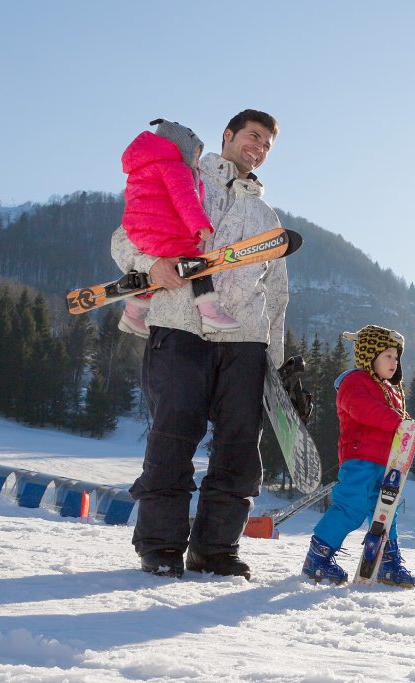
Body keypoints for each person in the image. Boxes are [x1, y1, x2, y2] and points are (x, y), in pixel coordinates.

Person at [111, 110, 286, 580]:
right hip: (180, 323)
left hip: (246, 338)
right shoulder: (187, 178)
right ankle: (161, 546)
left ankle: (216, 549)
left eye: (268, 143)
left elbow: (278, 294)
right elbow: (127, 233)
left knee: (239, 450)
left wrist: (279, 363)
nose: (260, 148)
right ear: (228, 135)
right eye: (253, 136)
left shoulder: (266, 216)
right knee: (174, 437)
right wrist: (150, 266)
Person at [302, 325, 415, 588]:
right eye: (387, 356)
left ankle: (386, 563)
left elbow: (396, 425)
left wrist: (411, 436)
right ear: (370, 356)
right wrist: (399, 424)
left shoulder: (390, 391)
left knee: (385, 513)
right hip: (360, 460)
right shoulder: (354, 382)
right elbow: (365, 410)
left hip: (387, 464)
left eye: (396, 357)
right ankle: (318, 557)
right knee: (350, 507)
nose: (394, 362)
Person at [117, 119, 240, 338]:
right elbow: (186, 200)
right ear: (180, 148)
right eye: (194, 153)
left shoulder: (142, 166)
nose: (196, 159)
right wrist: (200, 225)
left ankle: (132, 315)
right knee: (198, 264)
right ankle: (210, 314)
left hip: (140, 232)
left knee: (151, 274)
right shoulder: (175, 167)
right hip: (165, 231)